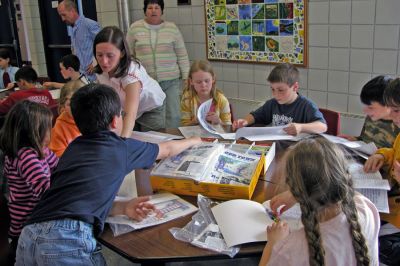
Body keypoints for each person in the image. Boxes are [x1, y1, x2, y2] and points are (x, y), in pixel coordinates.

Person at [15, 83, 201, 265]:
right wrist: (193, 140)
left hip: (30, 234)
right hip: (67, 238)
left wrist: (121, 207)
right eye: (122, 114)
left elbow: (75, 198)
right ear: (114, 120)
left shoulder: (73, 148)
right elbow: (167, 149)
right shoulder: (121, 148)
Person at [259, 137, 379, 266]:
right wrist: (298, 193)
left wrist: (273, 244)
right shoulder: (366, 208)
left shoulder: (289, 250)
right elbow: (351, 194)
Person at [0, 100, 58, 264]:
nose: (52, 131)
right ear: (34, 133)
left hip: (35, 216)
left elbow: (58, 165)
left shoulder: (40, 149)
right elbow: (45, 191)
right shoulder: (26, 157)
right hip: (28, 223)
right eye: (49, 128)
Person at [127, 0, 190, 128]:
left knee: (173, 115)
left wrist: (186, 77)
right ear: (145, 10)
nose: (153, 10)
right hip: (147, 82)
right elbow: (128, 55)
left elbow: (182, 55)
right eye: (150, 7)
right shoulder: (135, 28)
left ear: (162, 10)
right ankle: (152, 145)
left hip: (170, 81)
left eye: (157, 7)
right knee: (150, 117)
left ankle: (174, 142)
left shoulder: (172, 28)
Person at [95, 26, 166, 137]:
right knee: (130, 138)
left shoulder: (131, 74)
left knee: (149, 143)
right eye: (99, 55)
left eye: (110, 55)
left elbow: (130, 114)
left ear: (122, 53)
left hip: (150, 108)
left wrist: (123, 141)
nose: (104, 61)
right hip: (124, 110)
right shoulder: (100, 72)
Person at [232, 63, 327, 136]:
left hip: (296, 152)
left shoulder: (306, 106)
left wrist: (301, 127)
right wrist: (245, 121)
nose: (275, 94)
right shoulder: (272, 104)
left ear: (295, 87)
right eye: (272, 89)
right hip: (277, 147)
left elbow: (322, 126)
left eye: (281, 90)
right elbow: (255, 115)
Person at [364, 78, 400, 265]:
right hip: (388, 205)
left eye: (396, 111)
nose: (393, 117)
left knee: (367, 241)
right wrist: (382, 156)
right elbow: (394, 151)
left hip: (395, 218)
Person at [340, 75, 399, 149]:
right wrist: (355, 140)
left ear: (388, 105)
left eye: (370, 107)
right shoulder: (371, 117)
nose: (365, 111)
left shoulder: (398, 124)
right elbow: (365, 139)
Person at [57, 0, 101, 81]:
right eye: (60, 16)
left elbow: (104, 44)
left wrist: (95, 63)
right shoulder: (73, 29)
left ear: (72, 11)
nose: (62, 19)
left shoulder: (90, 24)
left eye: (64, 15)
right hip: (81, 77)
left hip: (94, 77)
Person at [180, 60, 231, 126]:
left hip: (216, 136)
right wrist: (194, 122)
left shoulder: (221, 99)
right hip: (195, 135)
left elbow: (229, 127)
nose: (203, 85)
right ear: (191, 81)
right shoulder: (187, 99)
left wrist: (218, 121)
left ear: (213, 79)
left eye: (207, 81)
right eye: (198, 82)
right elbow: (184, 126)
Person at [49, 80, 83, 157]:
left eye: (80, 103)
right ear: (63, 106)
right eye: (70, 104)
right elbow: (57, 155)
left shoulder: (94, 119)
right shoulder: (60, 126)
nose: (75, 108)